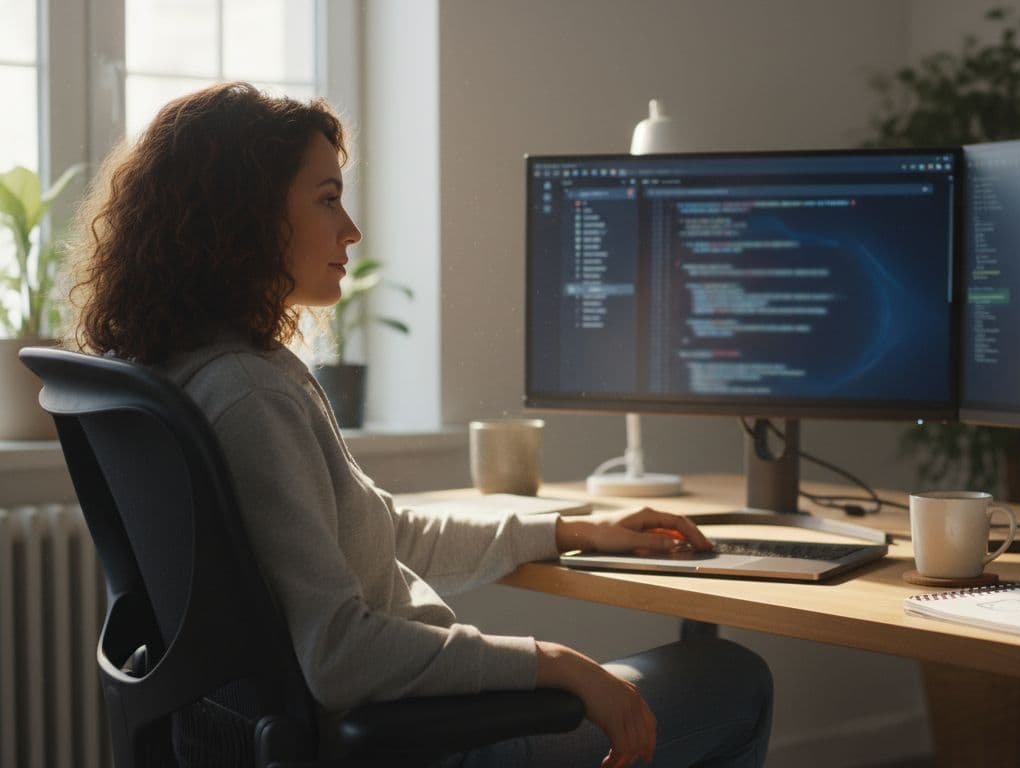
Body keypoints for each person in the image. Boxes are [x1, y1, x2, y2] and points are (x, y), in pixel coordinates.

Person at [65, 82, 772, 768]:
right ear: (244, 219)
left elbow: (378, 536)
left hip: (345, 731)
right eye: (328, 200)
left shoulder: (188, 370)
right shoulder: (251, 394)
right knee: (733, 677)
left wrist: (568, 530)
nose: (351, 229)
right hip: (428, 741)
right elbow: (340, 652)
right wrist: (554, 664)